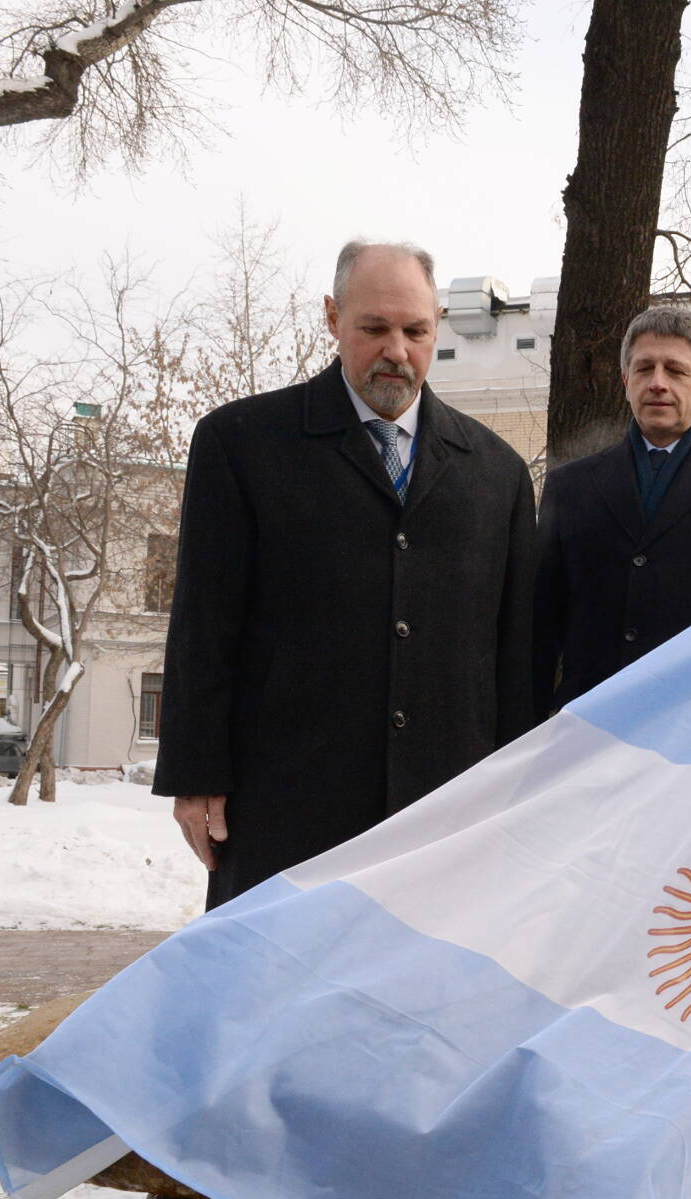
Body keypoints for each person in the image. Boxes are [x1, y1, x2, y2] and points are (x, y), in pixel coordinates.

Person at [154, 240, 537, 908]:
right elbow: (203, 624)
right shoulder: (241, 446)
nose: (397, 350)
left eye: (415, 331)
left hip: (445, 822)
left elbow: (513, 654)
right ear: (333, 318)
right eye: (374, 328)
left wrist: (517, 790)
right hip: (286, 814)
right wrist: (196, 773)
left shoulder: (497, 473)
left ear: (437, 324)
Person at [533, 304, 691, 713]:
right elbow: (540, 627)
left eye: (676, 370)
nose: (657, 383)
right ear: (626, 381)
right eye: (644, 369)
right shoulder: (569, 487)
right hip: (592, 728)